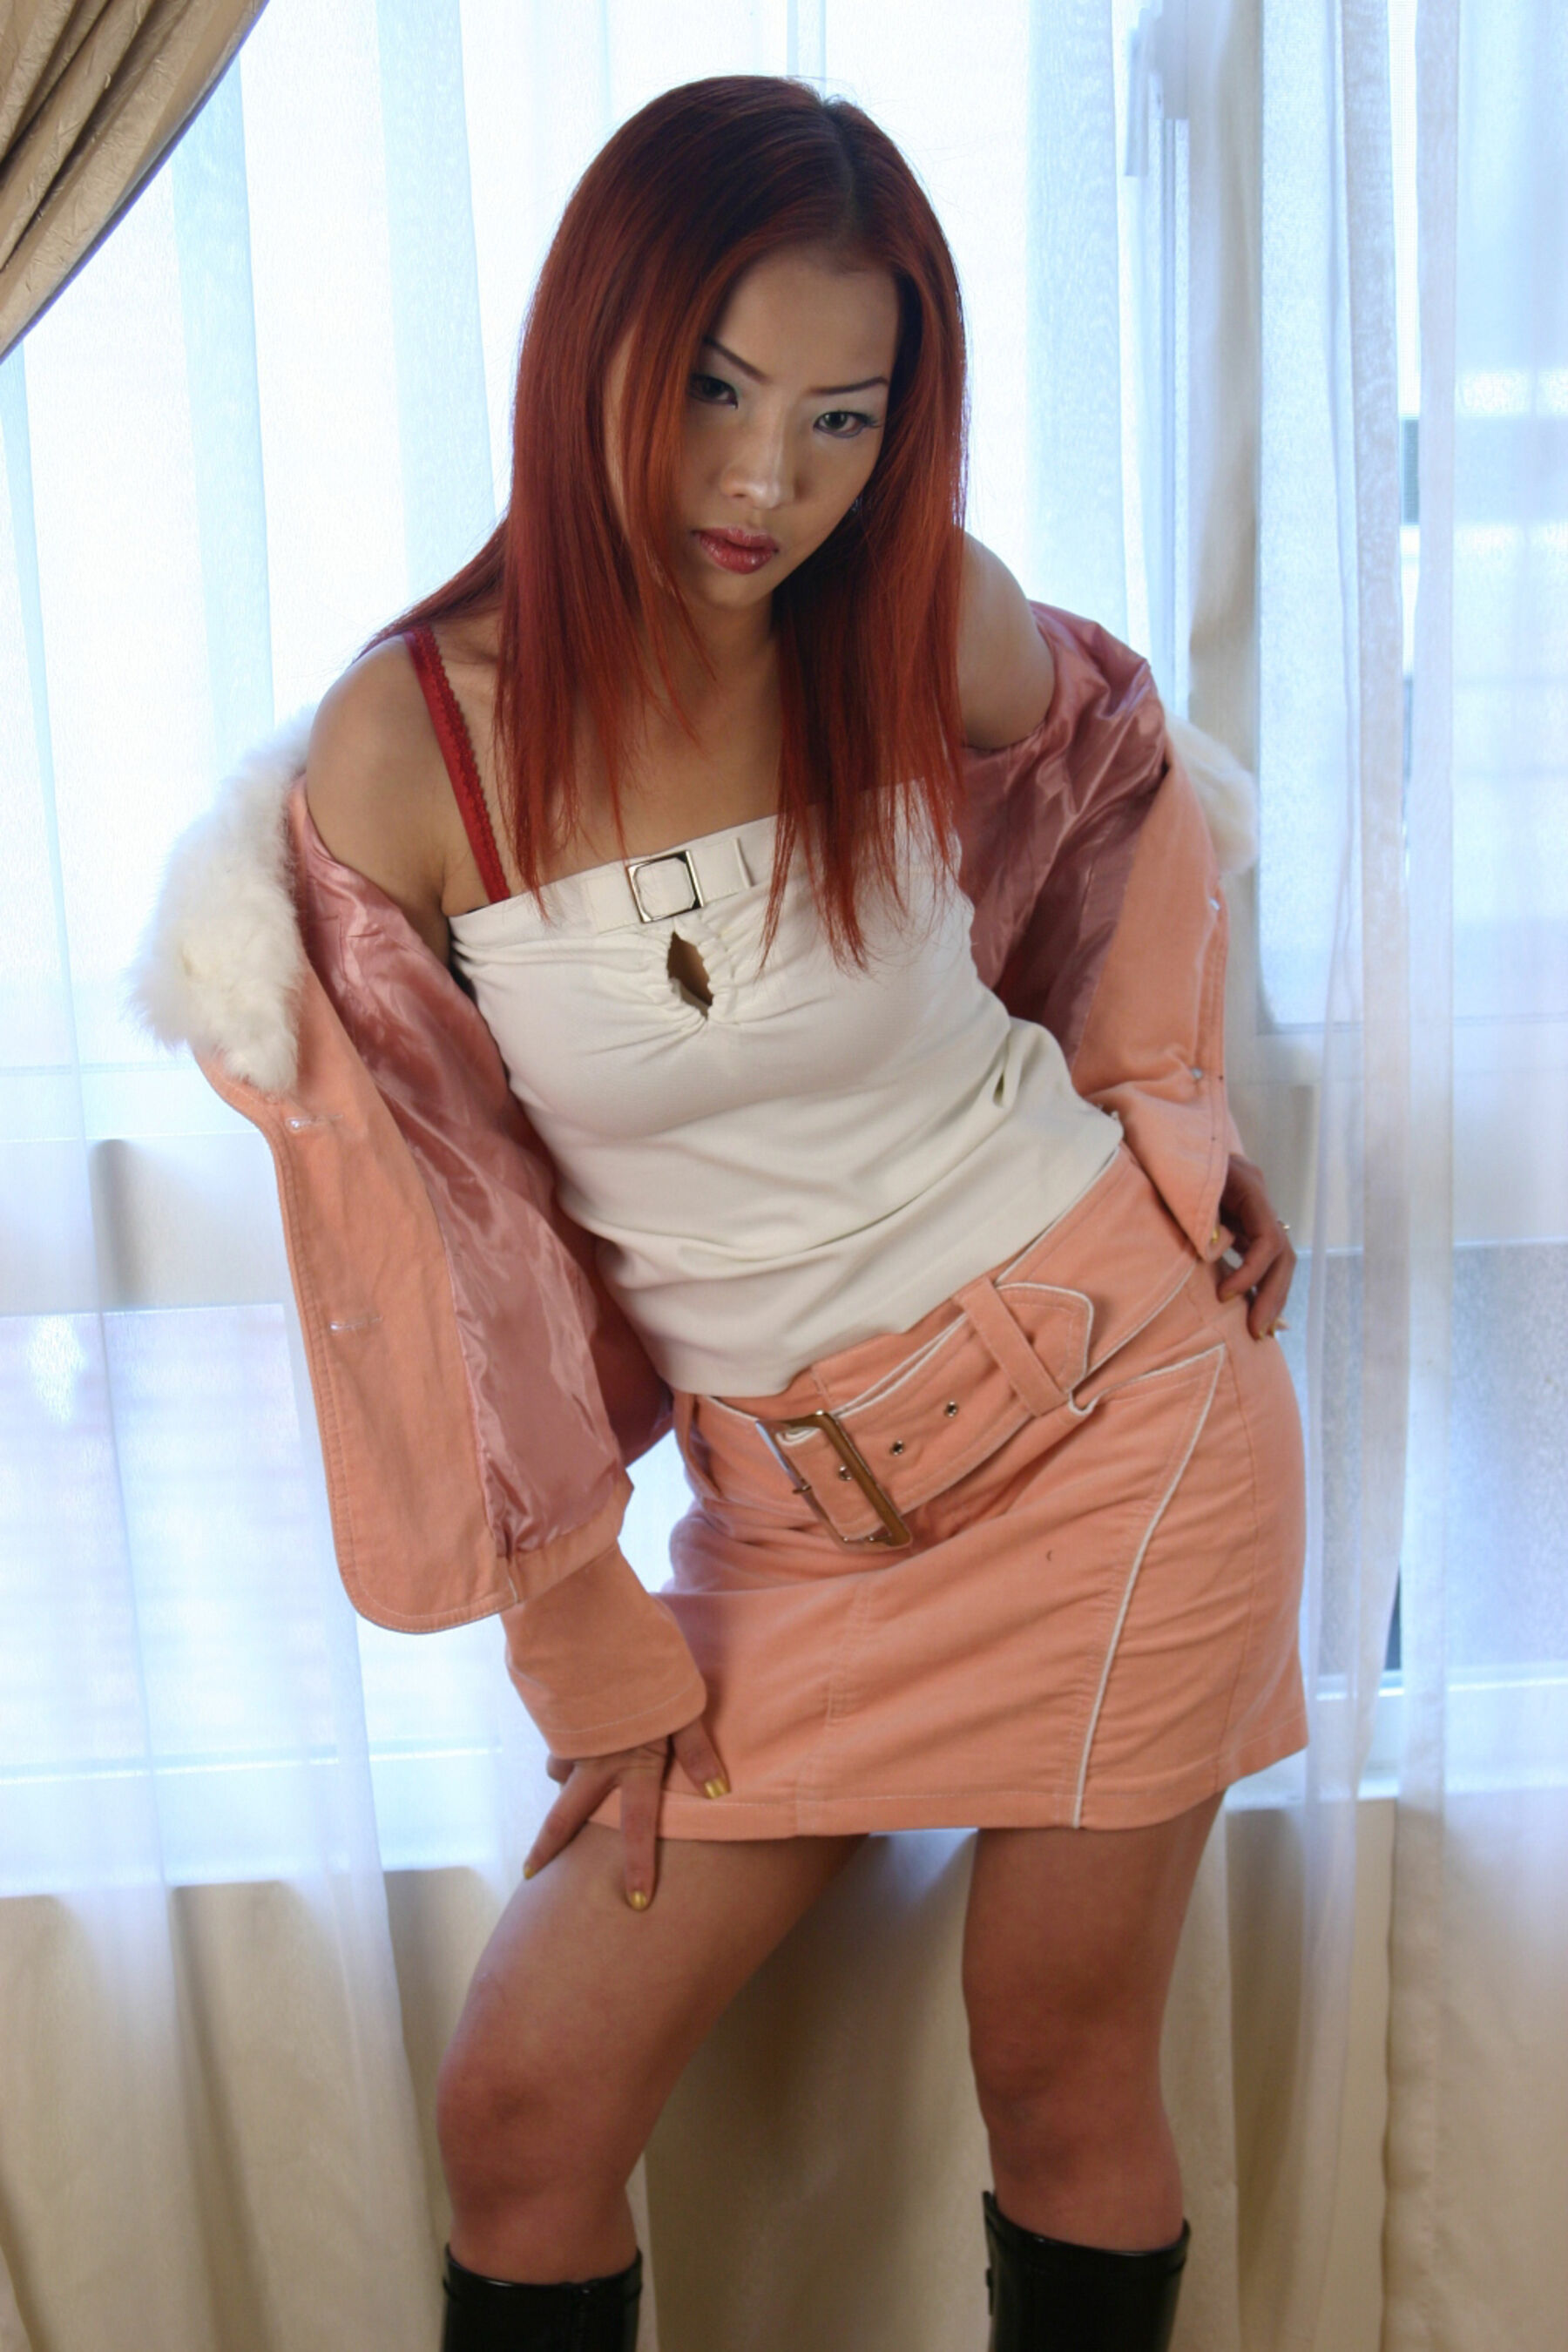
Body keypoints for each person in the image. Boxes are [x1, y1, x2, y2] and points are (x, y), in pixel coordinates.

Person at [139, 71, 1303, 2352]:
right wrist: (568, 1604)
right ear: (592, 339)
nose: (769, 480)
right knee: (523, 2113)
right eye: (713, 388)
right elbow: (432, 1235)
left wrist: (1164, 1097)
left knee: (1059, 2075)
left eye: (843, 419)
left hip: (1120, 1422)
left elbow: (1127, 771)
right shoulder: (414, 750)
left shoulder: (916, 624)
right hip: (784, 1523)